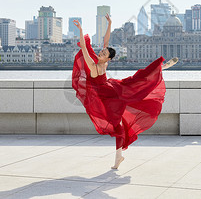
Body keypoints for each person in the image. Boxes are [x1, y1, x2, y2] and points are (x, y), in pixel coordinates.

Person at [72, 14, 178, 169]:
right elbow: (105, 42)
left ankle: (161, 68)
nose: (101, 53)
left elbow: (86, 51)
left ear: (107, 59)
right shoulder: (102, 63)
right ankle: (118, 158)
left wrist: (81, 31)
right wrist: (110, 24)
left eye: (103, 54)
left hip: (110, 94)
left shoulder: (95, 66)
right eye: (101, 52)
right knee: (134, 84)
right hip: (110, 90)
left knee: (135, 86)